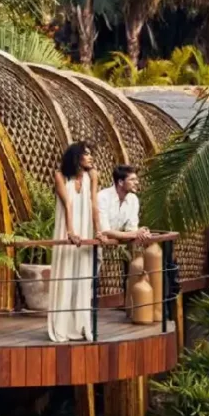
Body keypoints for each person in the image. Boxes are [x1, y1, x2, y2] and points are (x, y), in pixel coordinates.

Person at [47, 141, 103, 343]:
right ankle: (61, 326)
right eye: (86, 155)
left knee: (83, 277)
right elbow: (67, 205)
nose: (90, 158)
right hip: (67, 228)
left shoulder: (92, 176)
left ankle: (83, 326)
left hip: (86, 229)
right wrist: (70, 231)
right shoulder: (60, 176)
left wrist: (99, 231)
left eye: (90, 154)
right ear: (76, 157)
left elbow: (94, 204)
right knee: (66, 274)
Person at [97, 165, 156, 319]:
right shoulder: (102, 197)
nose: (137, 182)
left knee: (92, 282)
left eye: (137, 179)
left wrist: (141, 232)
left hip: (107, 244)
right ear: (120, 182)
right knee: (86, 281)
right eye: (132, 179)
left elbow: (131, 228)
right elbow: (104, 230)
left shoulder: (133, 199)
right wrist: (132, 233)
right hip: (91, 242)